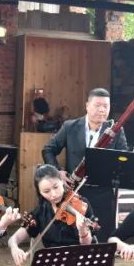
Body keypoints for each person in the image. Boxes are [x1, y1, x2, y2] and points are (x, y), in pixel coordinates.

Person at [42, 87, 128, 242]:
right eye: (97, 105)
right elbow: (48, 149)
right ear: (87, 105)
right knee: (72, 237)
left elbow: (124, 160)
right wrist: (57, 172)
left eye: (106, 106)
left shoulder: (116, 131)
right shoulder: (70, 126)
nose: (102, 110)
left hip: (103, 193)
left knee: (101, 239)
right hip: (75, 192)